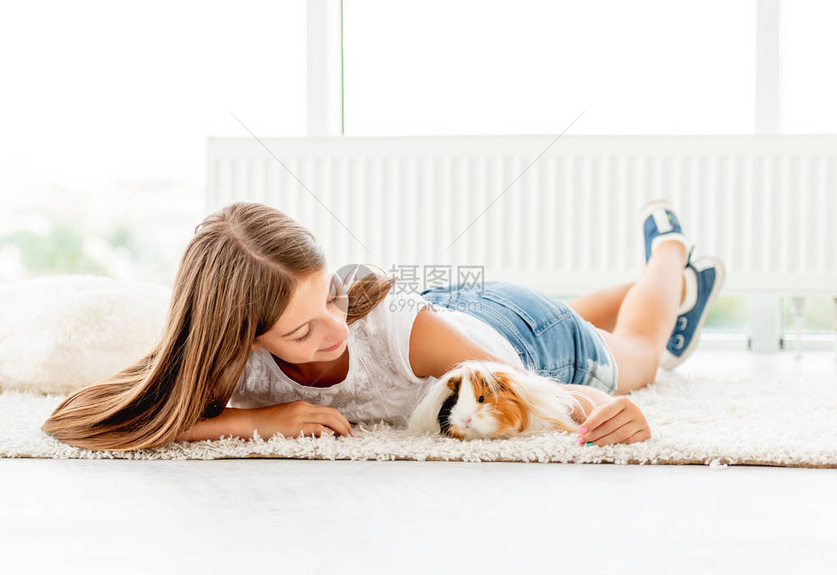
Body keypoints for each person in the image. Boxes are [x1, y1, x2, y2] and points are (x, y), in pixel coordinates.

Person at [41, 200, 724, 452]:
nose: (333, 331)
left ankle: (670, 256)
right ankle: (629, 289)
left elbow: (535, 391)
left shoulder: (389, 327)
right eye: (302, 332)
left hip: (522, 338)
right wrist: (260, 422)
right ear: (246, 337)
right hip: (462, 318)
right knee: (574, 311)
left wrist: (615, 410)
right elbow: (82, 419)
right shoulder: (231, 356)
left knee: (639, 354)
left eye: (332, 299)